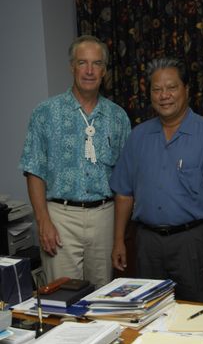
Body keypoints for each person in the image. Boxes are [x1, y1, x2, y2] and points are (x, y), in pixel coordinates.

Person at [110, 57, 203, 303]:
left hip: (192, 243)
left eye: (171, 87)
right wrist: (118, 240)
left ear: (186, 90)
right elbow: (124, 193)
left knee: (196, 314)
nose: (164, 95)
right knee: (149, 314)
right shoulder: (138, 137)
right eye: (157, 89)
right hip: (147, 244)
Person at [19, 35, 131, 288]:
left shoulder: (118, 117)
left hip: (105, 216)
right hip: (60, 217)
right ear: (72, 67)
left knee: (101, 297)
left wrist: (120, 236)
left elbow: (126, 180)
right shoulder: (45, 113)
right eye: (83, 63)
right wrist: (43, 221)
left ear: (104, 71)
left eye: (96, 64)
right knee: (62, 296)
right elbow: (34, 170)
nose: (89, 71)